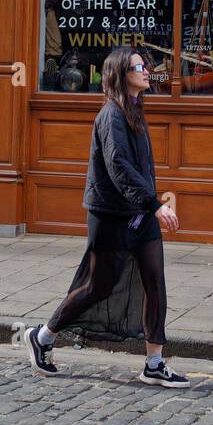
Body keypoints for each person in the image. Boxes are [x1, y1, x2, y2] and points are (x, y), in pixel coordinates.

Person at [24, 45, 189, 387]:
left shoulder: (134, 109)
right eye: (138, 67)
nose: (146, 71)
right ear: (120, 75)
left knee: (155, 282)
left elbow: (139, 168)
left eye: (144, 66)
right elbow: (119, 167)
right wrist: (155, 204)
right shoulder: (111, 115)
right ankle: (42, 336)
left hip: (139, 214)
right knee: (98, 286)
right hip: (112, 215)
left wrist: (149, 206)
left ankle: (155, 362)